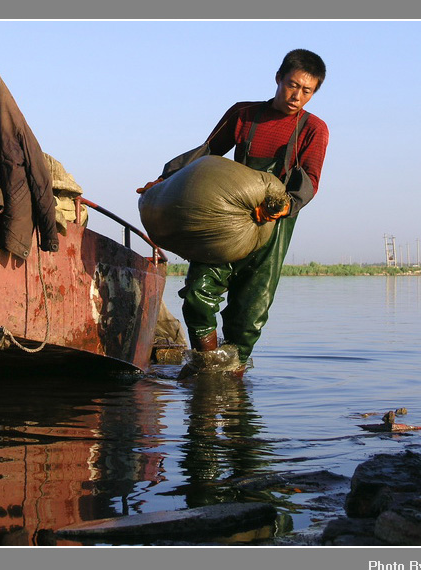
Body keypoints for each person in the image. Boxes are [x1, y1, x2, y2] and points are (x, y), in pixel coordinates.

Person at [140, 49, 329, 377]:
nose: (297, 96)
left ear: (314, 92)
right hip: (226, 216)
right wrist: (165, 180)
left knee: (250, 310)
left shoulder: (315, 129)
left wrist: (286, 206)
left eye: (306, 91)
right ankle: (208, 366)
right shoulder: (243, 114)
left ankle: (234, 376)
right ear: (278, 79)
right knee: (198, 293)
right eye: (292, 85)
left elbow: (310, 179)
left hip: (274, 224)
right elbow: (207, 152)